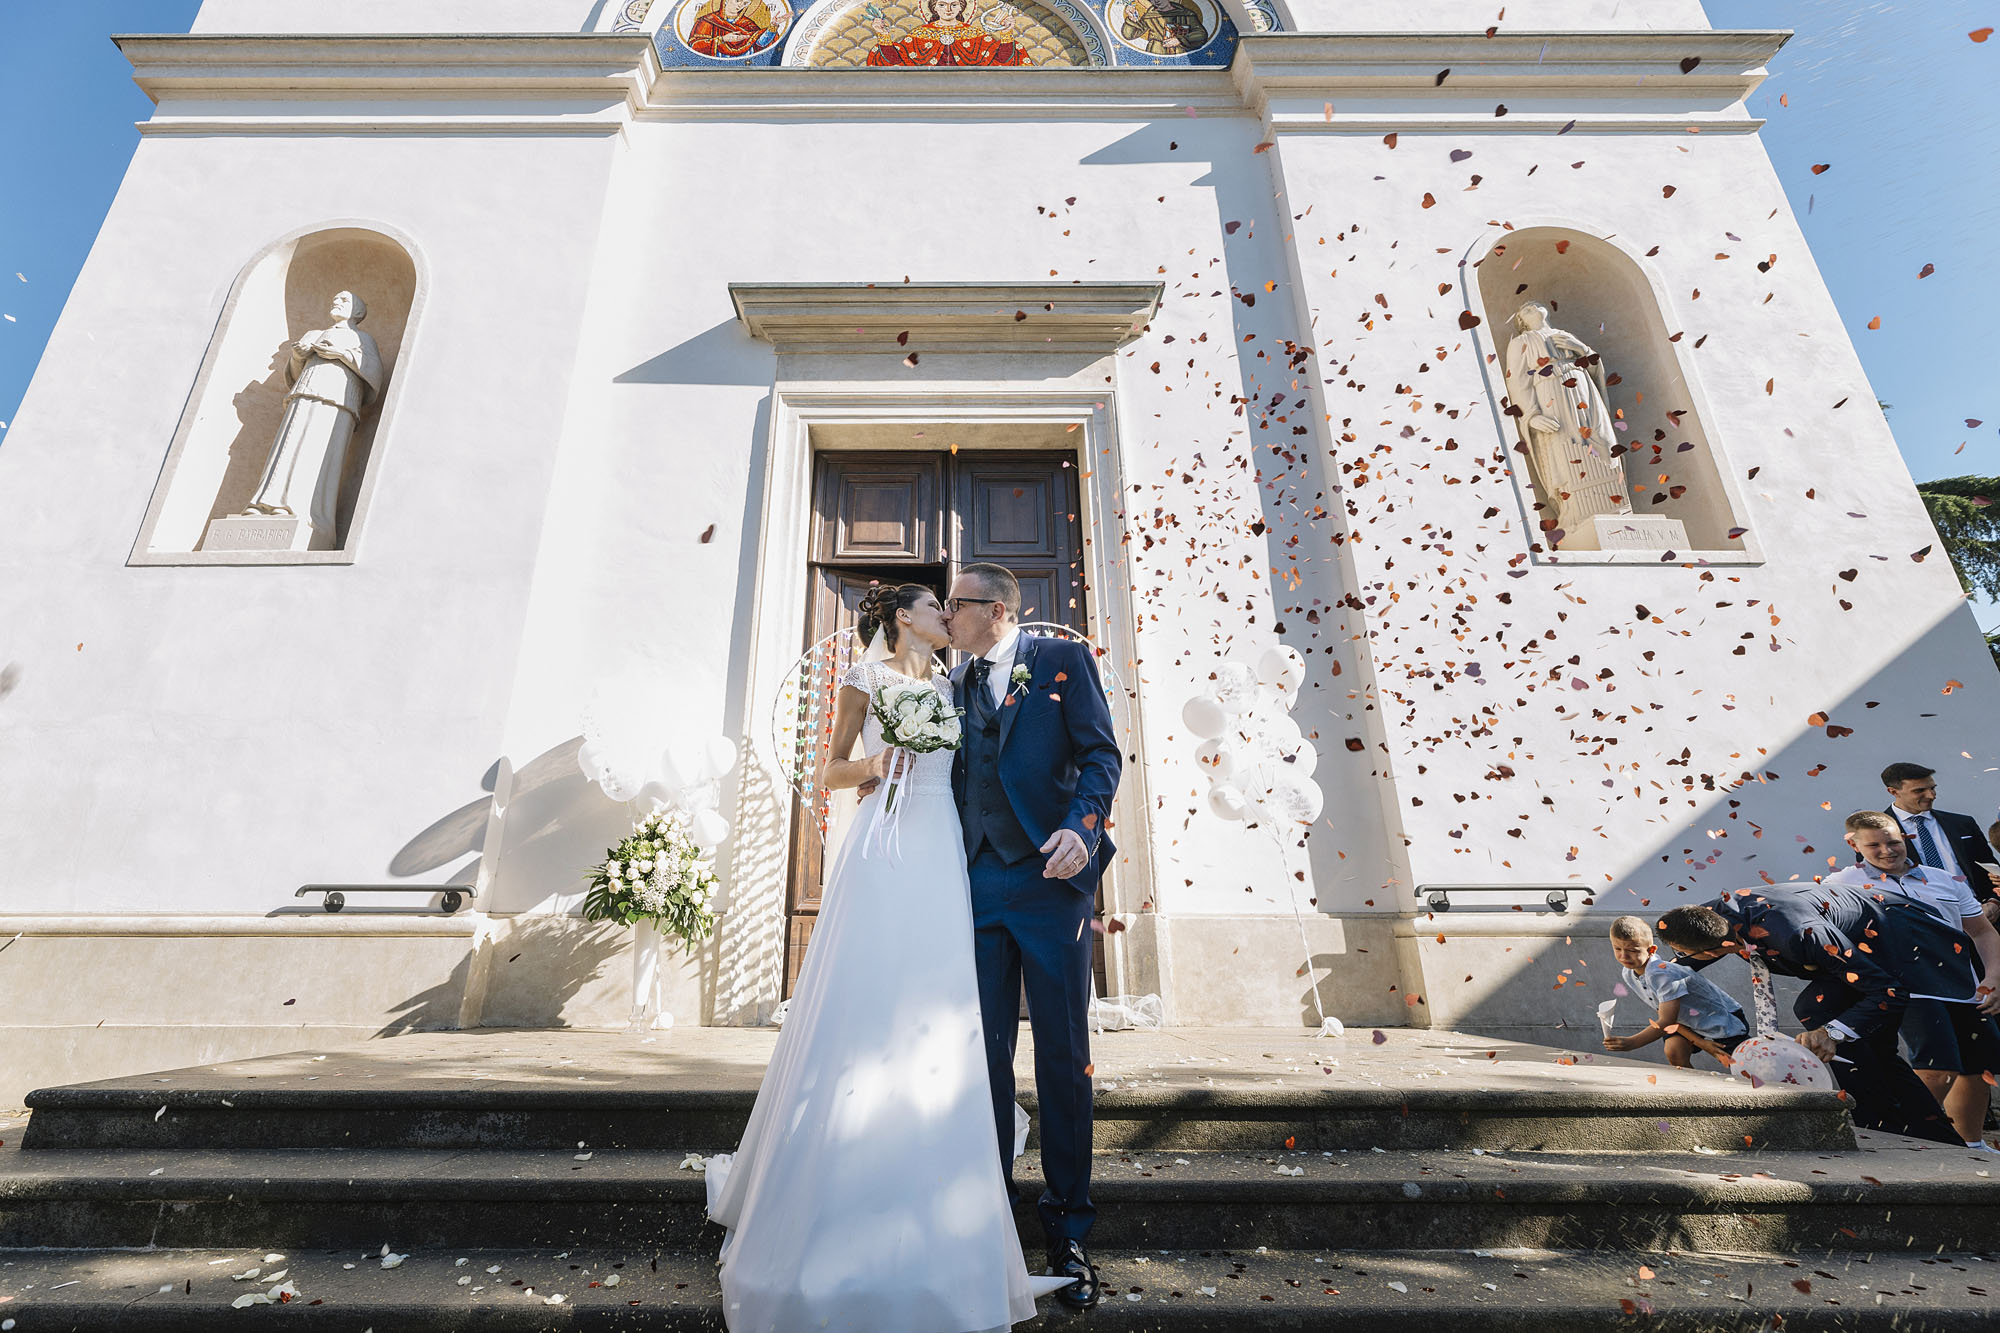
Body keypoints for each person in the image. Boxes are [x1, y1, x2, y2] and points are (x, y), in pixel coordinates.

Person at [705, 583, 1073, 1332]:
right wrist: (879, 764)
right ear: (903, 618)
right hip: (885, 844)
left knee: (940, 1008)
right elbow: (829, 769)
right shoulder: (864, 679)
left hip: (945, 853)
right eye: (937, 606)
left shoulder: (957, 682)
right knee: (866, 996)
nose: (949, 615)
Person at [944, 562, 1121, 1311]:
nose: (944, 615)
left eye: (954, 604)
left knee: (1062, 1052)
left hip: (1052, 882)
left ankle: (1069, 1227)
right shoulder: (945, 687)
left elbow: (1101, 755)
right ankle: (987, 1222)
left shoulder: (1060, 659)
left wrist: (1082, 829)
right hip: (974, 884)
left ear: (995, 610)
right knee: (981, 1055)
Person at [1657, 883, 1975, 1145]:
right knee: (1874, 1051)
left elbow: (1887, 991)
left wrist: (1831, 1033)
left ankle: (1890, 1130)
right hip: (1847, 946)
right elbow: (1680, 966)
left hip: (1897, 943)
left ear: (1716, 947)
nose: (1680, 957)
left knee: (1818, 1012)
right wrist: (1672, 1021)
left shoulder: (1800, 934)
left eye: (1681, 952)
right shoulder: (1709, 917)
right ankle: (1908, 1133)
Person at [1826, 811, 2000, 1149]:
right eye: (1874, 845)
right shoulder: (1839, 885)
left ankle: (1971, 1145)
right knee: (1938, 1068)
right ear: (1853, 844)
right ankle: (1914, 1142)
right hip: (1907, 989)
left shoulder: (1944, 878)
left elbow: (1982, 932)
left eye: (1893, 842)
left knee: (1979, 1068)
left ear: (1905, 838)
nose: (1887, 851)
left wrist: (1993, 977)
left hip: (1963, 986)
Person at [243, 290, 383, 542]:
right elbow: (295, 372)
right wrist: (299, 354)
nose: (336, 302)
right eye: (336, 298)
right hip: (304, 396)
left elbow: (373, 372)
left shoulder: (362, 339)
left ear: (358, 312)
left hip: (336, 402)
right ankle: (265, 503)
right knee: (287, 448)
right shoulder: (314, 334)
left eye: (343, 300)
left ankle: (303, 511)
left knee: (316, 454)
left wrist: (341, 355)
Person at [1603, 915, 1747, 1069]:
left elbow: (1666, 1021)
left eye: (1632, 950)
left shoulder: (1663, 974)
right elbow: (1665, 1014)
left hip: (1719, 1019)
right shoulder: (1629, 973)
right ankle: (1692, 1090)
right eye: (1617, 948)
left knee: (1742, 1064)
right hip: (1686, 1021)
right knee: (1674, 1050)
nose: (1623, 956)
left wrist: (1632, 1042)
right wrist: (1701, 1043)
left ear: (1651, 950)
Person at [1879, 762, 1999, 924]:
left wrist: (1994, 903)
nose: (1931, 795)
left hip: (1979, 917)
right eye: (1919, 791)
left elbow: (1992, 872)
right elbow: (1877, 883)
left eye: (1932, 788)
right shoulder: (1876, 832)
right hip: (1921, 926)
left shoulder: (1963, 824)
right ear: (1893, 791)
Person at [867, 0, 1029, 66]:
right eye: (942, 5)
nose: (949, 10)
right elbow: (896, 61)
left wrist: (1007, 33)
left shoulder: (975, 33)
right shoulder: (920, 34)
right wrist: (883, 35)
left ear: (962, 7)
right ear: (934, 8)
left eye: (954, 5)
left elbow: (1002, 59)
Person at [686, 0, 781, 57]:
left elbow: (760, 43)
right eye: (737, 0)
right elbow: (695, 46)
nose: (740, 5)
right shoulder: (708, 21)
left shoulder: (748, 24)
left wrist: (772, 27)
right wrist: (723, 39)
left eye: (744, 3)